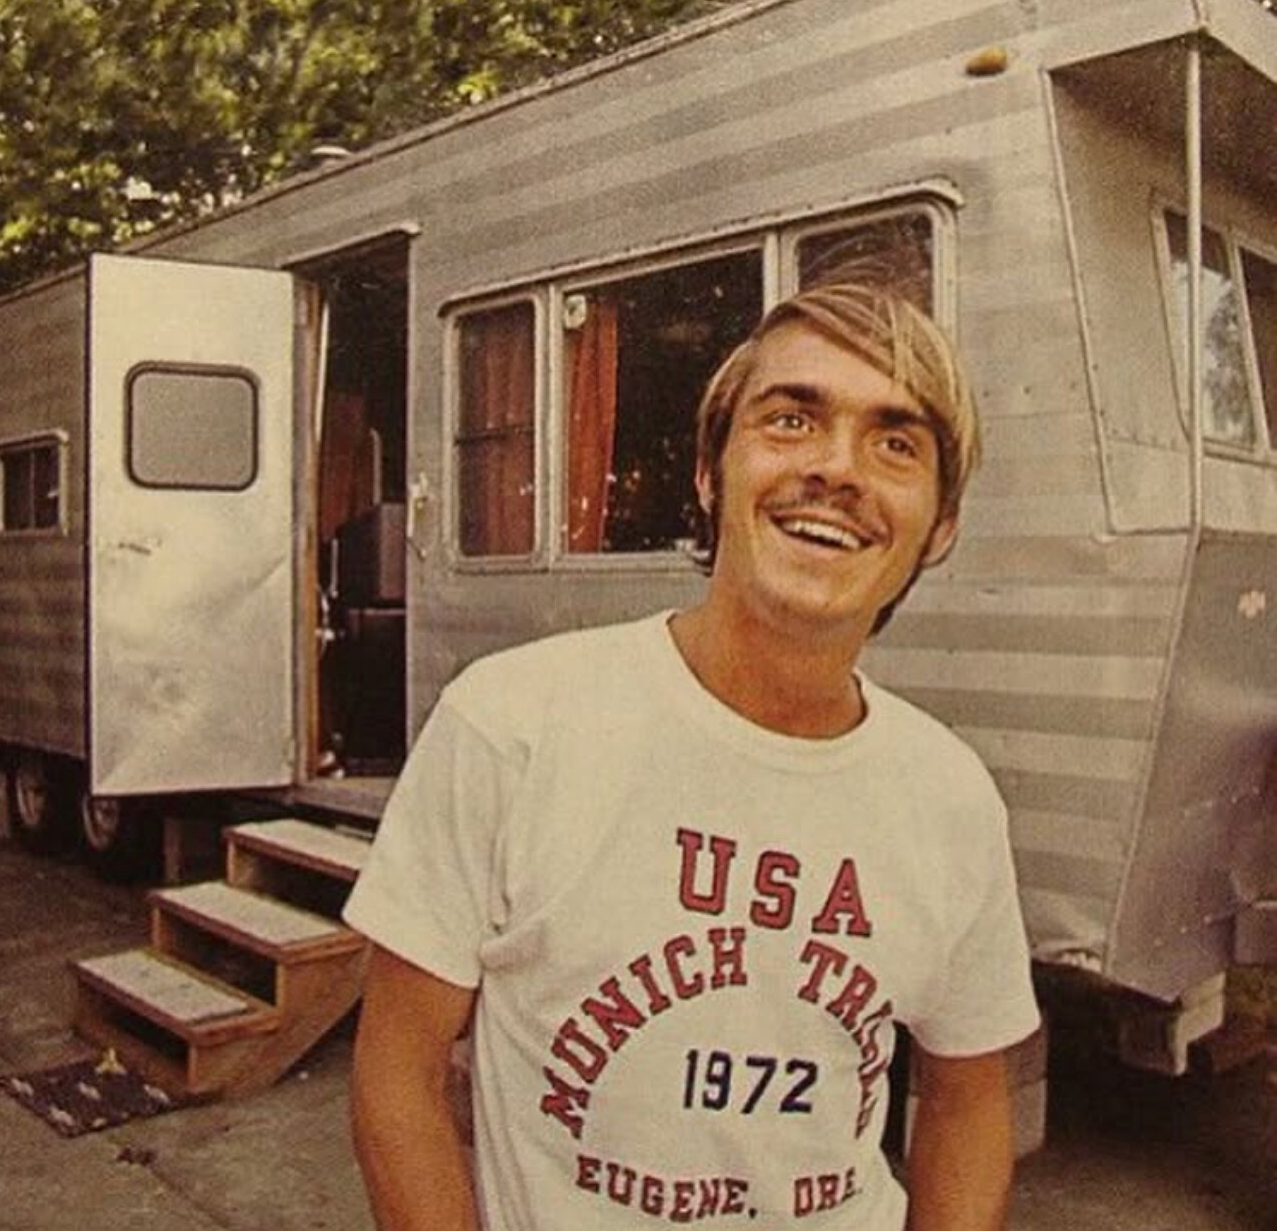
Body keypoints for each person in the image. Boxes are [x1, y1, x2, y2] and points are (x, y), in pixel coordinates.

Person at [343, 279, 1040, 1231]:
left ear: (942, 525)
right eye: (791, 419)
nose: (837, 469)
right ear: (711, 474)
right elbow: (398, 1070)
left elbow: (967, 1100)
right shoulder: (513, 725)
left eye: (895, 443)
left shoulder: (951, 799)